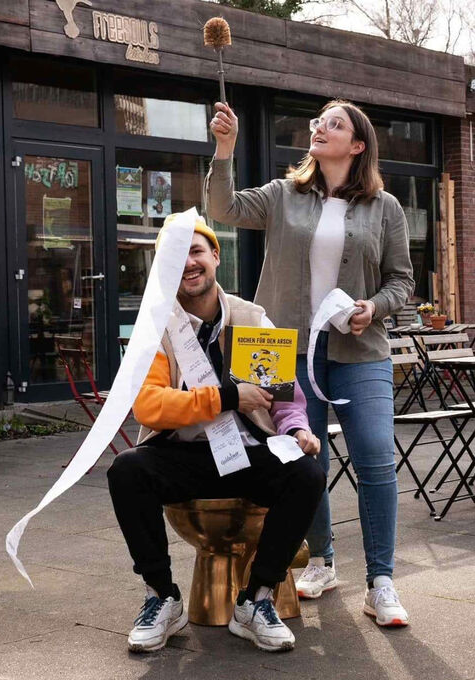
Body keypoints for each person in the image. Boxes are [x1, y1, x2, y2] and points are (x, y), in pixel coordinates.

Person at [206, 99, 414, 627]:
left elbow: (402, 280)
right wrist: (225, 150)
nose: (320, 127)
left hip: (360, 351)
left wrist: (375, 307)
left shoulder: (386, 207)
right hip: (282, 350)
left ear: (358, 145)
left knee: (375, 458)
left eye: (334, 124)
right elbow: (222, 209)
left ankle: (381, 582)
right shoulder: (283, 194)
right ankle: (320, 560)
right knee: (301, 459)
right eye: (320, 121)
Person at [106, 215, 325, 654]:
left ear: (215, 256)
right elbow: (149, 406)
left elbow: (285, 399)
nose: (188, 263)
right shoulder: (157, 327)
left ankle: (256, 599)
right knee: (126, 470)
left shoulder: (251, 318)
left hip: (247, 451)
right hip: (183, 454)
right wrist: (227, 397)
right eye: (176, 256)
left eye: (196, 251)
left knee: (307, 474)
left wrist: (297, 429)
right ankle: (161, 596)